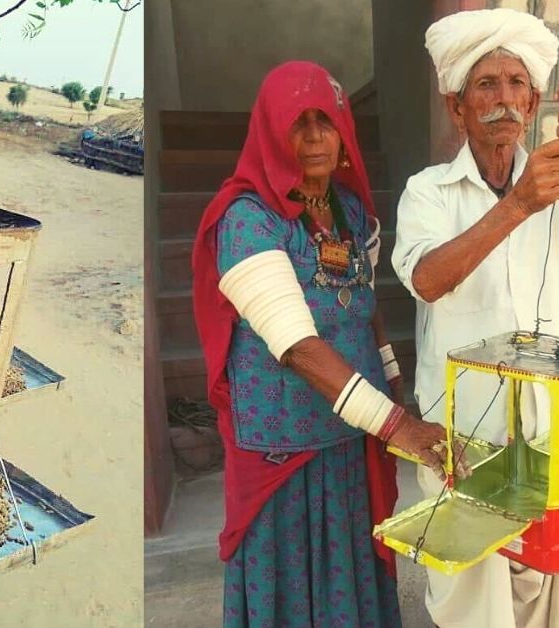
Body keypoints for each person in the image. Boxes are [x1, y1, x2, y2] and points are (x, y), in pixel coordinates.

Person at [391, 9, 559, 627]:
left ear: (535, 103)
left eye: (516, 85)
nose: (502, 100)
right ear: (457, 108)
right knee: (469, 600)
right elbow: (427, 279)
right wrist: (518, 203)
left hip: (555, 434)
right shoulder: (427, 191)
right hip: (465, 441)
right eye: (485, 85)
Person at [192, 60, 454, 628]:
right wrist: (396, 425)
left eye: (325, 120)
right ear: (268, 130)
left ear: (342, 134)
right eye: (296, 122)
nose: (313, 136)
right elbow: (297, 346)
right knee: (289, 576)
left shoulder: (351, 211)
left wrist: (396, 391)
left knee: (348, 566)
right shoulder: (246, 219)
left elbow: (364, 310)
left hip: (350, 434)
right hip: (282, 447)